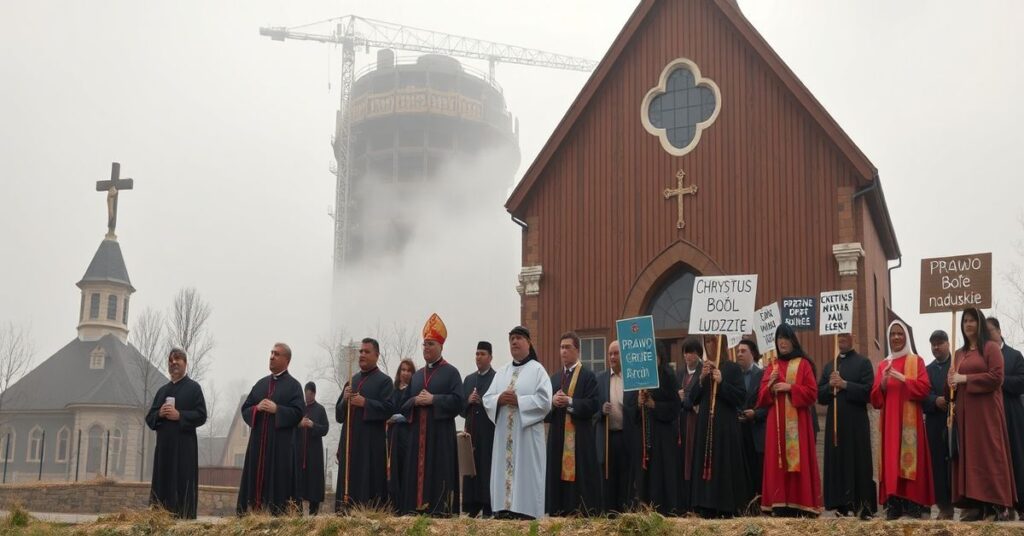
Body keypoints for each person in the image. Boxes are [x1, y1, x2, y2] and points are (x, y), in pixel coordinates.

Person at [949, 308, 1015, 521]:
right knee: (970, 456)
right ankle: (975, 503)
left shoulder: (990, 348)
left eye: (972, 320)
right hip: (965, 414)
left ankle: (997, 504)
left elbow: (997, 377)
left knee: (989, 454)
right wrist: (950, 381)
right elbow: (953, 384)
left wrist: (966, 379)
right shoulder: (958, 353)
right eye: (965, 320)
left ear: (980, 323)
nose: (968, 324)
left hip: (986, 412)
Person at [483, 325, 552, 520]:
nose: (514, 341)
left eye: (519, 338)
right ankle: (503, 509)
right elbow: (487, 398)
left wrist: (519, 402)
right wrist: (499, 399)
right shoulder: (502, 372)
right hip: (505, 435)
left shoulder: (538, 370)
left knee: (526, 472)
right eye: (511, 338)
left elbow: (545, 401)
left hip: (527, 436)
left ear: (528, 343)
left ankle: (525, 510)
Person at [398, 313, 464, 516]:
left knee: (438, 476)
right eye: (424, 344)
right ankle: (414, 510)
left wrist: (434, 400)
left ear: (441, 347)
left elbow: (459, 402)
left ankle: (439, 513)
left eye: (431, 344)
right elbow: (403, 405)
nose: (426, 348)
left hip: (439, 439)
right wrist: (416, 401)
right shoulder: (417, 376)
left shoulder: (451, 372)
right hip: (417, 440)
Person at [757, 324, 822, 517]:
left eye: (785, 338)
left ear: (793, 340)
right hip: (774, 425)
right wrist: (770, 385)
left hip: (798, 424)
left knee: (797, 458)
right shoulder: (772, 366)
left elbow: (812, 394)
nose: (782, 342)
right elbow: (760, 399)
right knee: (777, 463)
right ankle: (778, 502)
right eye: (779, 338)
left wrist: (789, 388)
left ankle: (800, 502)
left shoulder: (803, 364)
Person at [870, 320, 933, 520]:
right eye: (893, 335)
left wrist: (904, 378)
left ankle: (913, 503)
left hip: (910, 422)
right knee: (891, 460)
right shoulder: (882, 365)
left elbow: (924, 389)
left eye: (900, 334)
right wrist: (882, 384)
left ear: (906, 337)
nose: (896, 337)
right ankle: (894, 503)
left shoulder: (917, 361)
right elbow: (875, 400)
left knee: (910, 459)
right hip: (889, 422)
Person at [236, 343, 305, 515]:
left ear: (287, 360)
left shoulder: (294, 386)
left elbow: (298, 413)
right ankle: (252, 513)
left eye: (277, 354)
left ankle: (277, 515)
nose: (272, 356)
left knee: (279, 485)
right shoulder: (260, 384)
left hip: (280, 449)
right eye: (271, 353)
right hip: (257, 448)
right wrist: (256, 409)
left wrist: (278, 410)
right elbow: (245, 409)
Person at [689, 335, 751, 518]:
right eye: (706, 341)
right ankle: (705, 503)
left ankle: (725, 505)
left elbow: (740, 398)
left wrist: (722, 382)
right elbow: (691, 399)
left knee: (723, 463)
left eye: (712, 341)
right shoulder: (703, 368)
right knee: (705, 462)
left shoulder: (731, 368)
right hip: (705, 425)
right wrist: (700, 380)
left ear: (721, 343)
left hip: (725, 425)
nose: (709, 345)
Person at [817, 332, 877, 519]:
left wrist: (845, 384)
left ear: (853, 337)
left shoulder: (863, 363)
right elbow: (820, 396)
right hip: (834, 424)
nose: (840, 338)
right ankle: (840, 504)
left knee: (857, 461)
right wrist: (830, 386)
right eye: (838, 335)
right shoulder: (830, 366)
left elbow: (868, 392)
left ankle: (861, 506)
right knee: (837, 461)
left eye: (844, 335)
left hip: (856, 423)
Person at [545, 331, 602, 516]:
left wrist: (570, 401)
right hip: (557, 436)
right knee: (555, 473)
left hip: (579, 437)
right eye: (561, 347)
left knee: (580, 476)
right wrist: (552, 402)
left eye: (567, 347)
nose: (563, 351)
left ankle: (579, 509)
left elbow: (593, 404)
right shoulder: (553, 378)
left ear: (577, 350)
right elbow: (544, 411)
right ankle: (557, 509)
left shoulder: (588, 376)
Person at [146, 348, 207, 519]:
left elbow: (202, 416)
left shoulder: (194, 388)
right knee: (162, 485)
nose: (173, 363)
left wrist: (180, 415)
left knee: (182, 483)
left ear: (185, 363)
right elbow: (149, 418)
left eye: (177, 359)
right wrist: (160, 414)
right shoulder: (162, 391)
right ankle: (159, 516)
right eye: (170, 360)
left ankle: (183, 518)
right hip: (164, 450)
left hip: (184, 449)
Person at [335, 337, 394, 512]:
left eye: (366, 352)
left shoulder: (384, 381)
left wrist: (365, 403)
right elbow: (339, 416)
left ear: (376, 355)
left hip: (370, 445)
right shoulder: (351, 381)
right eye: (360, 351)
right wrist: (345, 400)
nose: (362, 354)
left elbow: (389, 409)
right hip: (349, 445)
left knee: (368, 483)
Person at [633, 340, 682, 516]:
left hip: (663, 435)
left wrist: (655, 405)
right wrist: (638, 404)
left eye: (654, 357)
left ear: (661, 357)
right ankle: (646, 509)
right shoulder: (638, 376)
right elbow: (631, 411)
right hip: (644, 434)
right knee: (645, 475)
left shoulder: (668, 375)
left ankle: (665, 511)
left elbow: (675, 407)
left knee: (661, 473)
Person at [988, 317, 1024, 520]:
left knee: (1017, 457)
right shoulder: (983, 357)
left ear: (999, 331)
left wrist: (998, 380)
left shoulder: (1014, 355)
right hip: (991, 417)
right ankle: (1001, 505)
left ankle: (1021, 504)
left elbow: (1022, 381)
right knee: (996, 460)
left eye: (990, 330)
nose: (988, 335)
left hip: (1012, 413)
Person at [461, 341, 497, 518]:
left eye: (482, 354)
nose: (479, 357)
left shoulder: (497, 378)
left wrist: (482, 401)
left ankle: (488, 505)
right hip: (471, 432)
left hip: (489, 433)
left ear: (490, 357)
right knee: (471, 468)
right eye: (476, 354)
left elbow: (499, 406)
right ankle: (471, 505)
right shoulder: (468, 379)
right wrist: (468, 400)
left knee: (487, 466)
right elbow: (460, 409)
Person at [596, 340, 631, 514]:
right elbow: (593, 409)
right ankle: (609, 514)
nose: (612, 357)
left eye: (616, 353)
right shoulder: (600, 378)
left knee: (626, 478)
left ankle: (625, 512)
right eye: (610, 354)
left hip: (626, 436)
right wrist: (601, 411)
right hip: (608, 437)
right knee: (608, 478)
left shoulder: (631, 378)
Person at [922, 330, 954, 519]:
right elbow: (922, 395)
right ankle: (944, 507)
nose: (936, 347)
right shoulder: (927, 370)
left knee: (956, 462)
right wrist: (935, 401)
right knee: (938, 467)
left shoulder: (957, 364)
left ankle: (964, 503)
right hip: (935, 423)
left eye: (940, 343)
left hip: (956, 421)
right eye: (933, 344)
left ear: (948, 343)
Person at [675, 336, 703, 512]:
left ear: (698, 354)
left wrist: (687, 400)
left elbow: (694, 399)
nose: (688, 356)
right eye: (685, 352)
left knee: (695, 457)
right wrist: (684, 401)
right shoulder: (679, 373)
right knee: (682, 458)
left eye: (691, 352)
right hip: (681, 422)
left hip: (697, 422)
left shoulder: (703, 372)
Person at [736, 339, 766, 502]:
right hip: (739, 432)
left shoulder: (762, 375)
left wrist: (755, 414)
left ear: (752, 354)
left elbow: (768, 405)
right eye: (738, 351)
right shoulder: (734, 375)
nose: (739, 354)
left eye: (743, 351)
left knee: (757, 473)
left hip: (756, 432)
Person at [297, 382, 329, 515]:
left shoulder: (320, 409)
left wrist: (312, 425)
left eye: (309, 394)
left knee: (313, 483)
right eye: (305, 393)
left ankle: (313, 514)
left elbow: (325, 429)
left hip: (314, 453)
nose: (307, 396)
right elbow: (292, 425)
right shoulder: (299, 409)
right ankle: (297, 513)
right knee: (298, 484)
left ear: (314, 394)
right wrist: (299, 424)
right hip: (299, 452)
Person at [387, 359, 416, 509]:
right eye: (402, 370)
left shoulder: (413, 390)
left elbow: (414, 412)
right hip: (392, 434)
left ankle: (405, 504)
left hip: (407, 434)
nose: (405, 373)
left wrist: (401, 418)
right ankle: (393, 504)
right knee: (393, 468)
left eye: (408, 370)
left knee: (406, 466)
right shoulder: (392, 390)